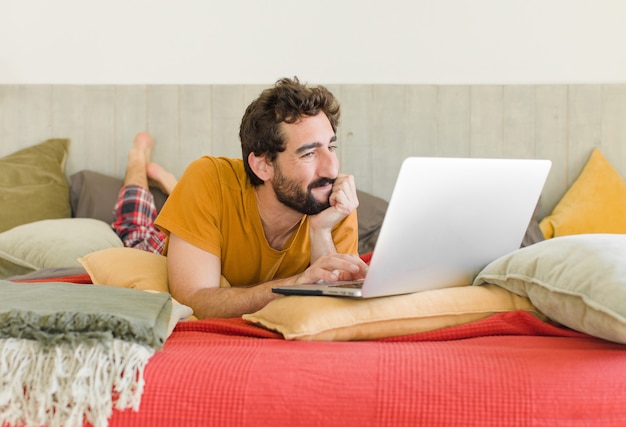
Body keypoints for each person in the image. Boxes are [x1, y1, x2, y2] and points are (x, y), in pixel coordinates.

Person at [155, 77, 368, 319]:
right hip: (153, 242)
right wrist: (297, 285)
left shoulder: (334, 201)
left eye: (330, 148)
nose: (331, 170)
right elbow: (193, 300)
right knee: (133, 227)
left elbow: (332, 310)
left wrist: (320, 231)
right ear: (263, 165)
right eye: (309, 153)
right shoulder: (208, 179)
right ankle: (143, 173)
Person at [111, 132, 176, 255]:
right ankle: (170, 183)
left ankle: (138, 158)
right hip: (170, 241)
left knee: (133, 231)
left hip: (147, 250)